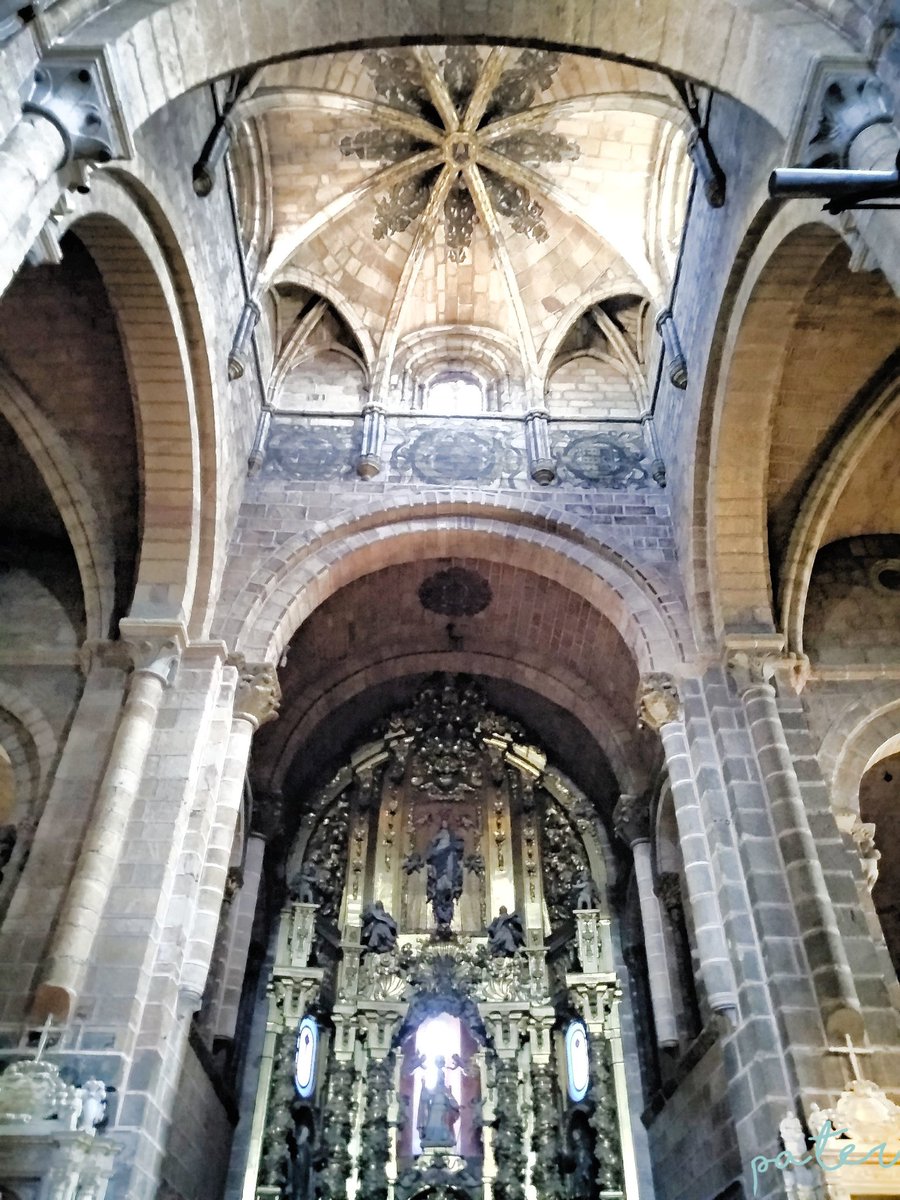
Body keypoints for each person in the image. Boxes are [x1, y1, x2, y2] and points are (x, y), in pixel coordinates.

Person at [416, 1056, 460, 1149]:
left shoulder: (445, 1090)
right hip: (434, 1111)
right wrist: (423, 1087)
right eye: (440, 1076)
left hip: (443, 1113)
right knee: (432, 1128)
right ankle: (431, 1139)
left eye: (442, 1076)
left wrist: (456, 1106)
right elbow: (426, 1097)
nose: (441, 1078)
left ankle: (444, 1140)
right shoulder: (434, 1089)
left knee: (443, 1129)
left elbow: (452, 1101)